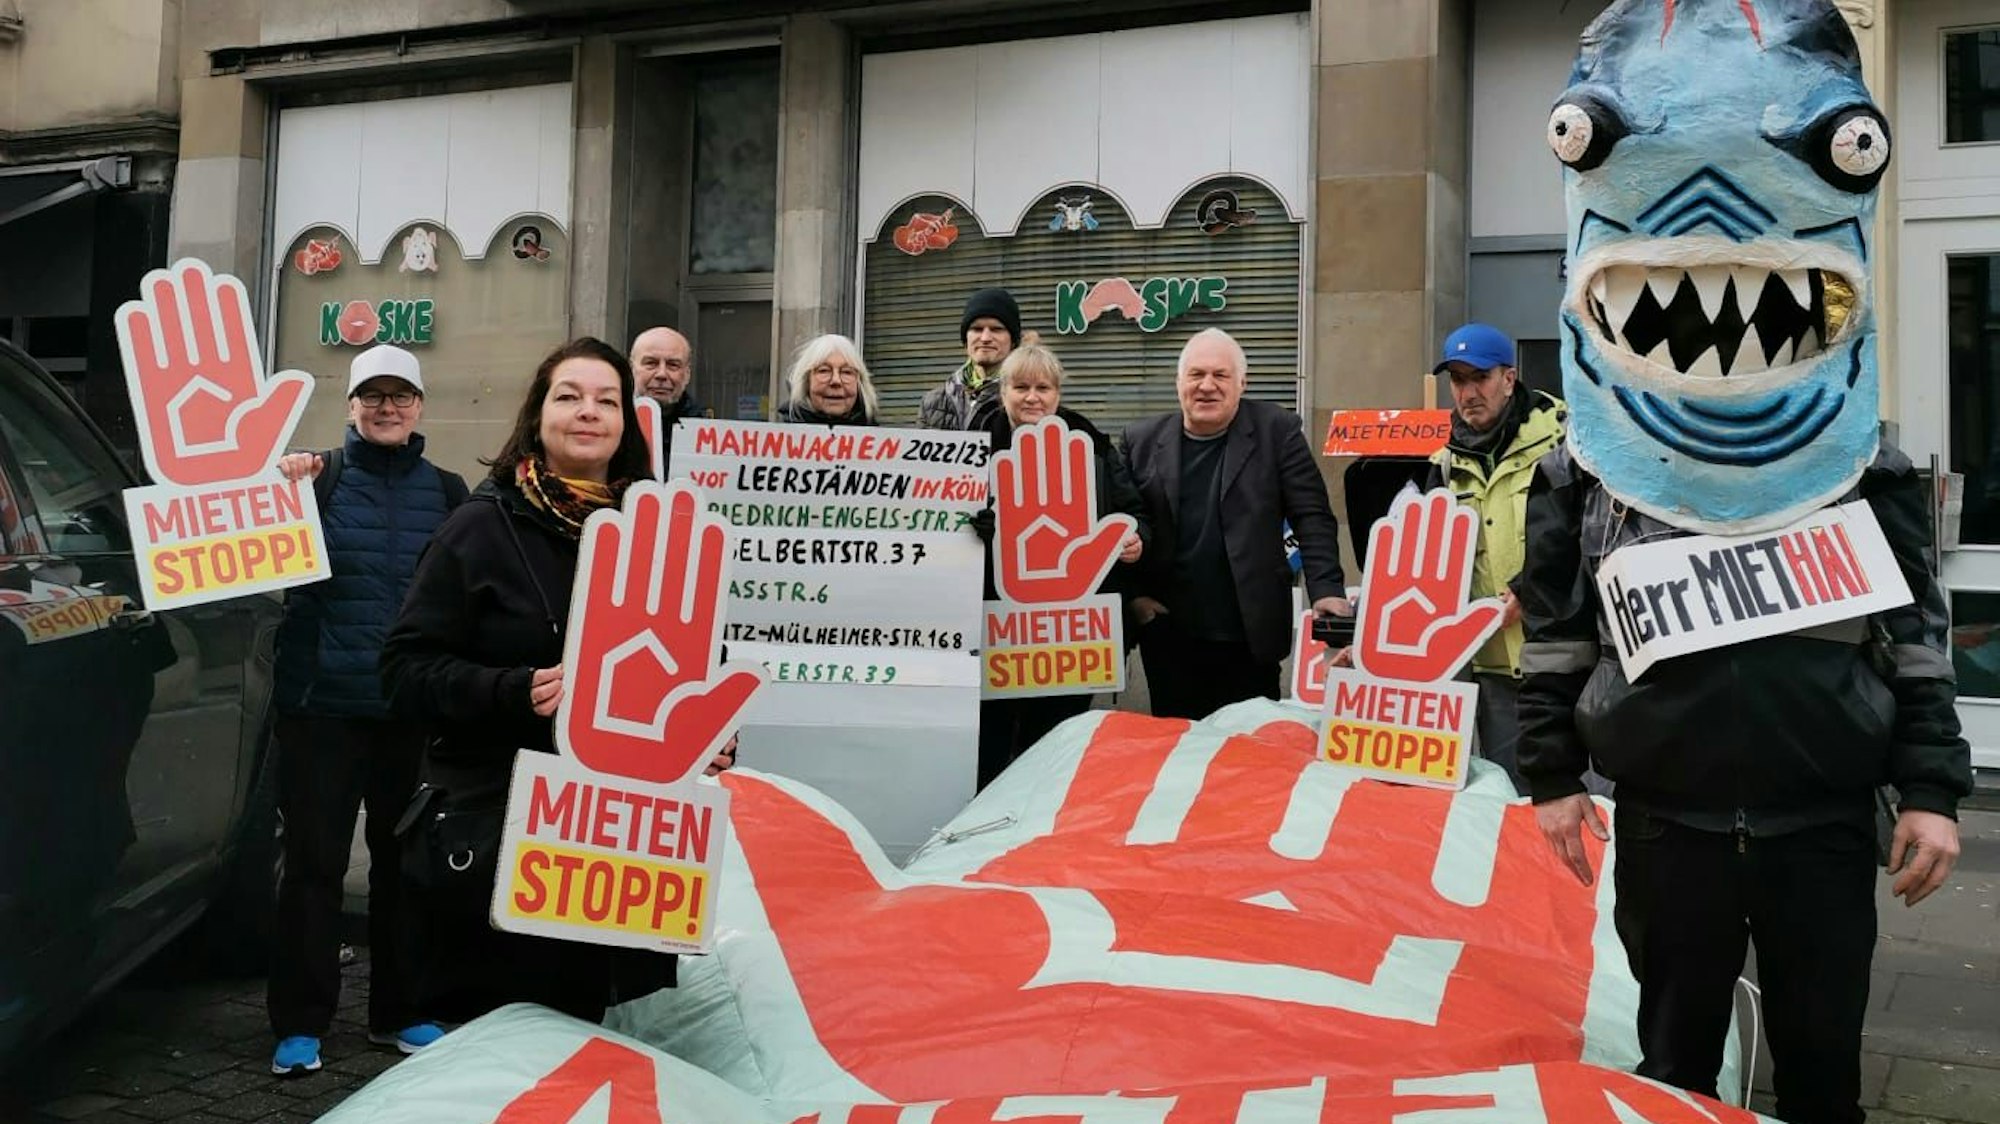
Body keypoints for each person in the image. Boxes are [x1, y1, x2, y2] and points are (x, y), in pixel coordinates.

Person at [1520, 442, 1972, 1120]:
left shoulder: (1867, 464)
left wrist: (1932, 788)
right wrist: (1551, 774)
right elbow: (1556, 631)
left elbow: (1916, 638)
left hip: (1823, 822)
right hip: (1665, 823)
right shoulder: (1585, 468)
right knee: (1675, 1075)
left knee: (1822, 1079)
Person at [379, 338, 734, 1023]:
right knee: (504, 1043)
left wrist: (706, 738)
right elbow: (403, 671)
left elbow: (694, 670)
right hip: (500, 832)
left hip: (613, 849)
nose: (588, 412)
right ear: (537, 415)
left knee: (583, 1043)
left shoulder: (659, 536)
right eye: (568, 396)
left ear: (627, 423)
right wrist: (515, 689)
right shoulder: (478, 529)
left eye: (606, 400)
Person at [266, 344, 465, 1076]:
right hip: (323, 709)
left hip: (408, 714)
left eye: (400, 395)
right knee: (315, 868)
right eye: (372, 396)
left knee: (403, 867)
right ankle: (300, 1024)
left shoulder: (448, 491)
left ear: (419, 406)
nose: (387, 407)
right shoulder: (316, 482)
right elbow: (256, 551)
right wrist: (280, 485)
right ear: (350, 406)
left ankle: (400, 1014)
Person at [1121, 328, 1347, 720]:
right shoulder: (1139, 440)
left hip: (1249, 636)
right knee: (1177, 757)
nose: (1206, 386)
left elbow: (1311, 515)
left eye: (1220, 376)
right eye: (1196, 375)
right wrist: (1136, 599)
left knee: (1250, 758)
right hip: (1170, 638)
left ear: (1242, 383)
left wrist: (1326, 590)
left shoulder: (1278, 431)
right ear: (1179, 383)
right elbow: (1123, 521)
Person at [969, 344, 1149, 786]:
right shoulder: (971, 449)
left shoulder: (1094, 447)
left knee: (1053, 754)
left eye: (1043, 388)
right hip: (995, 630)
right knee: (988, 754)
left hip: (1069, 635)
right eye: (1021, 387)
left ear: (1057, 393)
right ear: (1002, 392)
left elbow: (1136, 513)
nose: (1033, 398)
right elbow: (942, 527)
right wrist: (976, 528)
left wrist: (1135, 541)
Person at [1421, 323, 1564, 796]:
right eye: (1458, 381)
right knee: (1510, 805)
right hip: (1491, 664)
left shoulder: (1562, 440)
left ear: (1509, 377)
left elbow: (1585, 534)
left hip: (1560, 658)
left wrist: (1528, 589)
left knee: (1576, 801)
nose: (1468, 392)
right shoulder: (1443, 463)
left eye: (1479, 377)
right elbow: (1426, 565)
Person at [919, 288, 1019, 430]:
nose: (985, 338)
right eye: (977, 329)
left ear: (1013, 341)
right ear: (965, 340)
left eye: (996, 329)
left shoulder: (1027, 401)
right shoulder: (933, 403)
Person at [775, 334, 880, 425]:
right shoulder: (776, 442)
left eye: (846, 372)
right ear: (806, 382)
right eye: (824, 371)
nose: (836, 381)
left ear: (859, 384)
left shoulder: (880, 444)